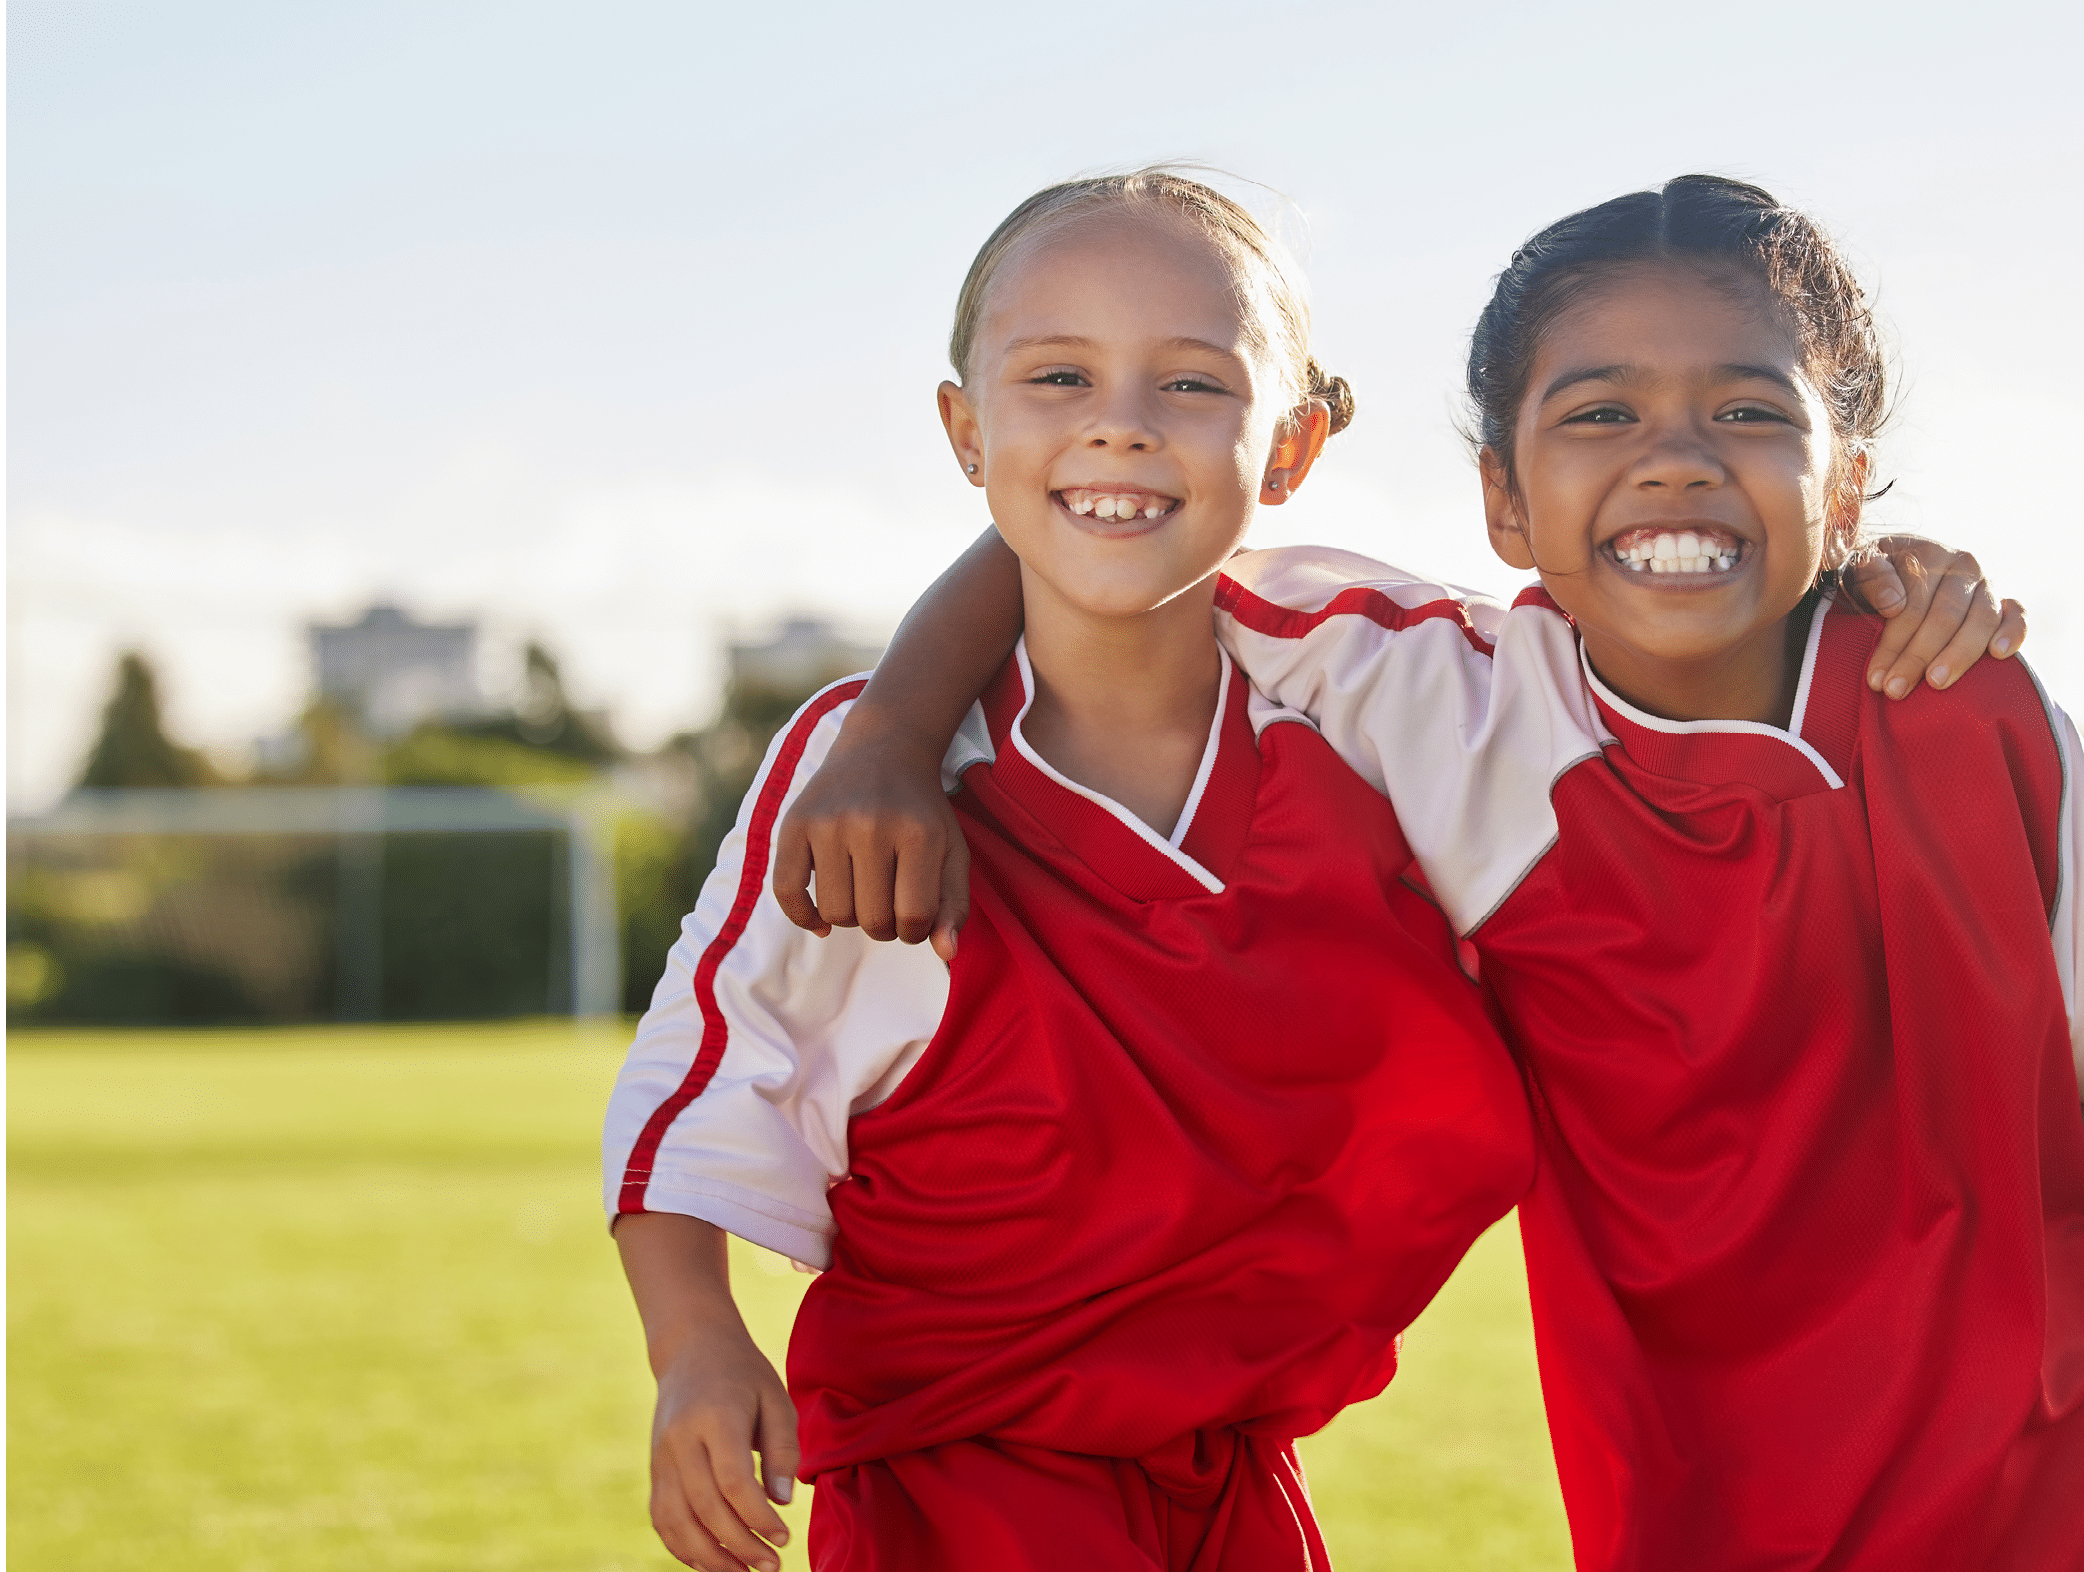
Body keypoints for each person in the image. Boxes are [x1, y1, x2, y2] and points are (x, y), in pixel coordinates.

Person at [775, 175, 2084, 1570]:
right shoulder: (1448, 706)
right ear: (1502, 501)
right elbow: (1102, 520)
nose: (1680, 458)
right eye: (1599, 413)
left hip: (2030, 1482)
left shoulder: (1966, 715)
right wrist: (890, 738)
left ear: (1845, 477)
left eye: (1751, 412)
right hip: (1691, 1483)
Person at [603, 170, 1538, 1572]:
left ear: (1288, 450)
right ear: (965, 433)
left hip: (1234, 1463)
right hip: (961, 1471)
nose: (1120, 420)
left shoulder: (1370, 692)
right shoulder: (867, 774)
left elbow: (1642, 682)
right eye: (1059, 375)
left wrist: (1861, 575)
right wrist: (699, 1346)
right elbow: (706, 1062)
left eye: (1189, 384)